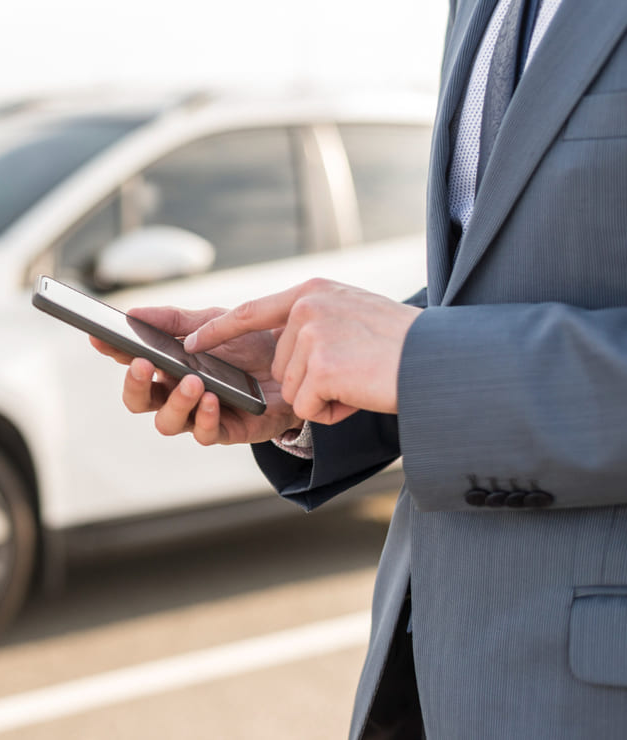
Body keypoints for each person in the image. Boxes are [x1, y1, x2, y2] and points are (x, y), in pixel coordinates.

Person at [91, 1, 627, 737]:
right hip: (430, 670)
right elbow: (494, 290)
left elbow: (444, 351)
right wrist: (305, 382)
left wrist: (420, 361)